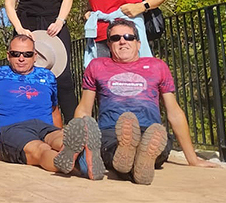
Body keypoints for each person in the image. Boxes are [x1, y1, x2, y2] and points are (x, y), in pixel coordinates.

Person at [75, 18, 218, 184]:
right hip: (111, 131)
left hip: (150, 131)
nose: (122, 41)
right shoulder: (97, 66)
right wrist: (78, 148)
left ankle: (132, 161)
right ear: (109, 44)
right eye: (115, 38)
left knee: (154, 143)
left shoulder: (157, 66)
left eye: (128, 37)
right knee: (115, 148)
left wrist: (193, 159)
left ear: (138, 44)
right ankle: (134, 163)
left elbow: (174, 112)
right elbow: (84, 109)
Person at [0, 35, 104, 180]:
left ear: (35, 56)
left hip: (44, 127)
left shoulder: (48, 76)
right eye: (16, 54)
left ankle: (79, 156)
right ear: (8, 55)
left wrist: (59, 131)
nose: (21, 58)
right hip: (13, 129)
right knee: (41, 149)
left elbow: (54, 111)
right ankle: (80, 165)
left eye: (27, 54)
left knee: (61, 139)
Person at [4, 0, 76, 121]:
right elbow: (9, 3)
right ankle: (31, 124)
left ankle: (75, 126)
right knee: (27, 79)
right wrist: (20, 29)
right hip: (27, 28)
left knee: (63, 79)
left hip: (55, 26)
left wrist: (60, 21)